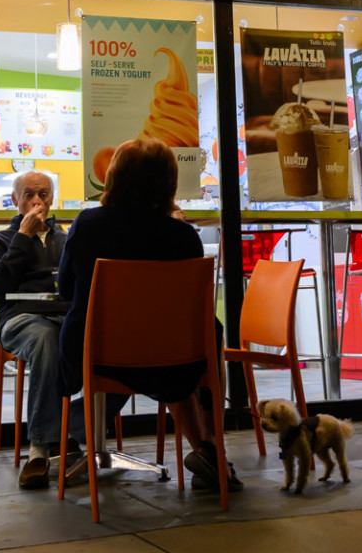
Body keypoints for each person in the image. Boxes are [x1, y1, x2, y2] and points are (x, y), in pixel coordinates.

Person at [57, 136, 241, 494]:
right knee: (202, 333)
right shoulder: (183, 237)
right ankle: (212, 451)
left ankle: (208, 453)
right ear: (168, 183)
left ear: (113, 177)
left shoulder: (87, 224)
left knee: (162, 343)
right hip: (171, 359)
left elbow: (66, 290)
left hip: (98, 357)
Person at [0, 171, 69, 489]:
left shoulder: (65, 239)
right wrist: (23, 236)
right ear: (15, 200)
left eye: (43, 194)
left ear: (52, 198)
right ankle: (40, 449)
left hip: (63, 316)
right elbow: (0, 286)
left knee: (104, 335)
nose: (36, 201)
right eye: (29, 195)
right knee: (46, 338)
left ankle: (76, 430)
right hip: (20, 319)